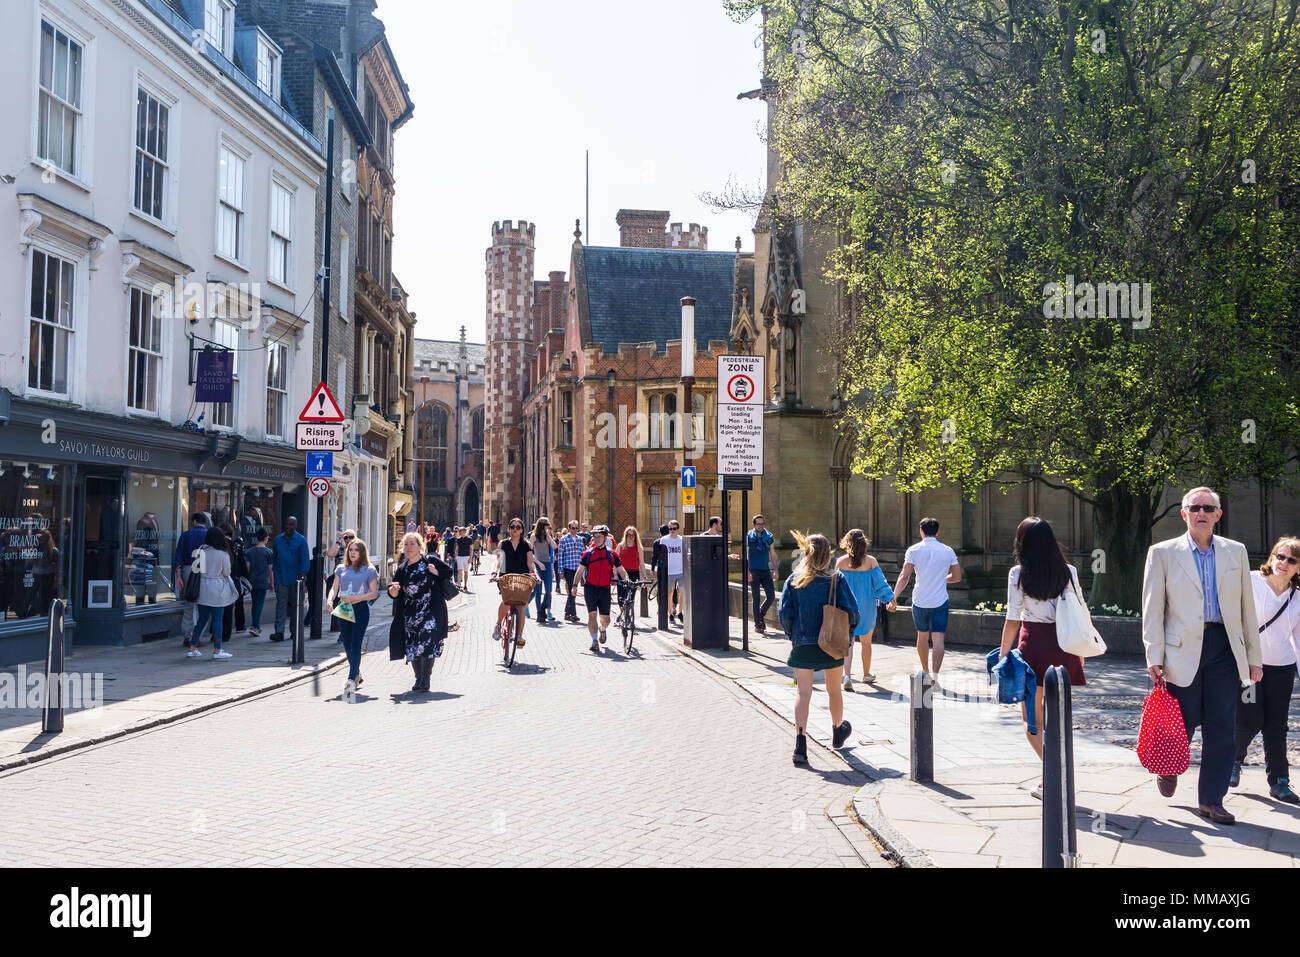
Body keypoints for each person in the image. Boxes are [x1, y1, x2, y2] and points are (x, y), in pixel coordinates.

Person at [1143, 486, 1262, 825]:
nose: (1201, 513)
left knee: (1221, 726)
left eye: (1208, 508)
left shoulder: (1236, 552)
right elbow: (1153, 608)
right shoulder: (1162, 553)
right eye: (1195, 507)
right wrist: (1154, 655)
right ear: (1184, 513)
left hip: (1224, 647)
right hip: (1181, 650)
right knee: (1182, 721)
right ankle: (1169, 766)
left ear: (1218, 515)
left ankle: (1212, 800)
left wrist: (1253, 657)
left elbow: (1247, 608)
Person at [996, 517, 1087, 798]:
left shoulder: (1018, 574)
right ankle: (1055, 777)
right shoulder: (1068, 571)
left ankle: (1054, 776)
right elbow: (1081, 610)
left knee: (1031, 720)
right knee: (1059, 718)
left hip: (1033, 646)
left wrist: (1003, 656)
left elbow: (1013, 618)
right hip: (1065, 646)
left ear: (1021, 543)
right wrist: (1081, 652)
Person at [779, 531, 859, 764]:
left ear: (806, 552)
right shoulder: (836, 578)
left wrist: (794, 637)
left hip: (803, 643)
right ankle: (837, 731)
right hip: (831, 643)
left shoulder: (794, 579)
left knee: (803, 693)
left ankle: (800, 743)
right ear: (828, 554)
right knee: (834, 690)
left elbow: (784, 613)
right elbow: (852, 612)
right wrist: (849, 635)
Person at [1231, 536, 1300, 802]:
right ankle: (1233, 761)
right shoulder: (1251, 582)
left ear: (1298, 567)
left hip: (1282, 670)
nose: (1284, 563)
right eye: (1280, 556)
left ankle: (1279, 781)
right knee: (1248, 719)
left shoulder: (1297, 597)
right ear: (1272, 557)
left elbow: (1298, 640)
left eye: (1291, 560)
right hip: (1250, 667)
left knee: (1276, 725)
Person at [893, 517, 961, 677]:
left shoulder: (913, 550)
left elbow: (904, 576)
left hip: (920, 601)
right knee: (939, 640)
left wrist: (894, 597)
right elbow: (957, 577)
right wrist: (942, 578)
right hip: (940, 601)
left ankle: (925, 671)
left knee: (922, 636)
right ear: (938, 532)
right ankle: (935, 677)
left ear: (921, 531)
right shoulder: (948, 550)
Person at [388, 532, 453, 692]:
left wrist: (436, 572)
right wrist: (393, 591)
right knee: (413, 647)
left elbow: (449, 571)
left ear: (420, 546)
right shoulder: (402, 569)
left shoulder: (430, 561)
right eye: (406, 544)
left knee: (428, 644)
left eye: (412, 544)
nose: (409, 547)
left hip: (431, 611)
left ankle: (425, 679)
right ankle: (418, 679)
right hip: (410, 614)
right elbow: (394, 592)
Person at [835, 529, 898, 689]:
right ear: (864, 543)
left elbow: (835, 586)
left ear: (847, 542)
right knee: (866, 642)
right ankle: (866, 674)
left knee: (848, 642)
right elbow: (880, 584)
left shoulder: (841, 562)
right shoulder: (871, 561)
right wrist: (890, 600)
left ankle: (847, 676)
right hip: (866, 606)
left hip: (846, 606)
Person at [327, 537, 380, 696]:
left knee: (356, 644)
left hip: (360, 609)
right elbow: (334, 588)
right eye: (350, 549)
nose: (353, 553)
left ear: (362, 552)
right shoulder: (341, 568)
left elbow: (373, 593)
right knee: (347, 644)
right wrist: (330, 600)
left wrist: (355, 598)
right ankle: (356, 672)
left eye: (356, 550)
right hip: (344, 608)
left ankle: (351, 679)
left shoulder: (369, 570)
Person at [574, 525, 631, 653]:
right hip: (590, 588)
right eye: (594, 537)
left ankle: (603, 629)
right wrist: (574, 586)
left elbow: (621, 570)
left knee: (606, 619)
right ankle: (594, 641)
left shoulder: (612, 554)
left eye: (599, 537)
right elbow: (580, 570)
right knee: (592, 614)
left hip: (605, 589)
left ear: (605, 538)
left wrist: (626, 579)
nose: (596, 539)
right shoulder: (588, 554)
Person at [186, 527, 238, 660]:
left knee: (202, 619)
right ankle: (217, 649)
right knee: (217, 619)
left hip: (203, 588)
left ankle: (192, 647)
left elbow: (196, 569)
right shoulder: (223, 554)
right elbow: (227, 572)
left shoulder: (201, 551)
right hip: (217, 589)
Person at [492, 518, 541, 646]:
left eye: (518, 527)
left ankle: (519, 636)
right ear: (509, 529)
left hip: (522, 578)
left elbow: (530, 563)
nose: (515, 529)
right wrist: (494, 572)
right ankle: (498, 625)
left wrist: (535, 574)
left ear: (522, 530)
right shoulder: (503, 543)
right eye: (512, 527)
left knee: (520, 606)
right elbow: (498, 561)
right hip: (506, 578)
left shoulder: (526, 545)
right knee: (507, 601)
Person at [270, 516, 311, 642]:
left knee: (296, 606)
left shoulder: (301, 540)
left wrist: (302, 579)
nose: (288, 527)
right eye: (287, 524)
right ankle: (279, 632)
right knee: (280, 605)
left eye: (291, 524)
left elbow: (305, 560)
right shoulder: (278, 540)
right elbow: (274, 559)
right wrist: (276, 575)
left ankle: (295, 631)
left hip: (296, 579)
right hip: (281, 578)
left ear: (296, 526)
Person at [173, 513, 209, 643]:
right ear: (204, 522)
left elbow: (178, 557)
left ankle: (187, 635)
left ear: (194, 522)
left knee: (189, 603)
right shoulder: (209, 535)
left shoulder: (185, 535)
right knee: (204, 604)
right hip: (205, 570)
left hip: (188, 569)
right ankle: (197, 635)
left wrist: (178, 576)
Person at [747, 515, 779, 633]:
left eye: (762, 524)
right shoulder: (749, 537)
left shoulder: (769, 536)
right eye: (758, 524)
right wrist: (748, 572)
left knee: (771, 596)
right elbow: (746, 555)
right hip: (753, 570)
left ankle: (760, 614)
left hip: (765, 570)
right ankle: (758, 624)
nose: (760, 526)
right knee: (756, 598)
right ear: (753, 524)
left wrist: (776, 570)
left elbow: (773, 554)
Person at [218, 522, 248, 643]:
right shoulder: (236, 546)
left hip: (219, 579)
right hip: (233, 579)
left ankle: (216, 632)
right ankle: (226, 633)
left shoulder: (217, 546)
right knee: (230, 607)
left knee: (218, 607)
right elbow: (242, 564)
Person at [245, 529, 273, 637]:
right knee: (259, 604)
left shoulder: (250, 552)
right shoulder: (268, 552)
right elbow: (270, 570)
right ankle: (255, 626)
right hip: (263, 581)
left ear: (256, 538)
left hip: (252, 581)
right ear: (266, 538)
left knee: (254, 603)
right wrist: (272, 582)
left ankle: (255, 625)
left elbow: (247, 567)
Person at [529, 518, 558, 623]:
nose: (548, 528)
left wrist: (548, 535)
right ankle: (539, 613)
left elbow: (554, 546)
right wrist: (539, 563)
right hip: (538, 564)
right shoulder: (533, 536)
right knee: (538, 590)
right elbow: (529, 553)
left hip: (547, 563)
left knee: (549, 590)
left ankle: (543, 608)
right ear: (542, 526)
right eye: (547, 526)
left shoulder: (547, 536)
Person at [129, 513, 160, 605]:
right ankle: (147, 601)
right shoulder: (145, 522)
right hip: (146, 558)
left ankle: (143, 601)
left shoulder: (145, 522)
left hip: (147, 558)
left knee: (144, 585)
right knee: (146, 584)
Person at [657, 521, 684, 624]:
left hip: (681, 570)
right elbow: (660, 555)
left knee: (682, 591)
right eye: (670, 528)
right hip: (669, 571)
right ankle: (671, 613)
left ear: (677, 529)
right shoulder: (664, 540)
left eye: (674, 528)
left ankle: (680, 612)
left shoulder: (681, 540)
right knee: (670, 593)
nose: (672, 530)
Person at [558, 521, 586, 621]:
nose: (575, 530)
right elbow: (560, 556)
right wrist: (560, 571)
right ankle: (573, 614)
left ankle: (567, 613)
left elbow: (583, 554)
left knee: (572, 591)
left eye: (576, 528)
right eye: (573, 528)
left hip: (577, 569)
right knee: (572, 590)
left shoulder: (580, 539)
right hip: (568, 568)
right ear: (569, 529)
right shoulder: (563, 540)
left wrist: (585, 568)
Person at [455, 525, 475, 592]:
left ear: (465, 531)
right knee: (459, 570)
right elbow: (457, 548)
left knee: (466, 571)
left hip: (467, 556)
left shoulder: (469, 539)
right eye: (460, 531)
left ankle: (465, 585)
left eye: (462, 531)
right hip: (460, 556)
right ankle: (459, 584)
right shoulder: (458, 539)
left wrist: (471, 557)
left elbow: (471, 549)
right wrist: (456, 556)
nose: (461, 532)